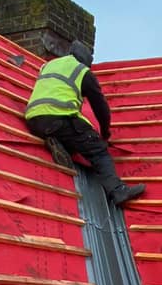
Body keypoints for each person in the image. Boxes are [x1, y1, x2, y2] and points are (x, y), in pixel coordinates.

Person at [24, 40, 146, 206]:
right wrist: (104, 133)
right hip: (59, 117)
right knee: (97, 149)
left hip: (33, 119)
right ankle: (118, 191)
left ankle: (58, 141)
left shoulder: (49, 65)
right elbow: (101, 107)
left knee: (73, 137)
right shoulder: (82, 71)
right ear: (86, 61)